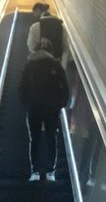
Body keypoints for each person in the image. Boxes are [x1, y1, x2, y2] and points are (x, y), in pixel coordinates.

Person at [18, 35, 70, 182]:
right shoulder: (55, 64)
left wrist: (26, 103)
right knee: (51, 138)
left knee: (34, 139)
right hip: (52, 109)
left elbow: (22, 87)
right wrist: (61, 103)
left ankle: (34, 171)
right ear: (51, 50)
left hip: (34, 107)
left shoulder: (29, 65)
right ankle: (50, 172)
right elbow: (64, 87)